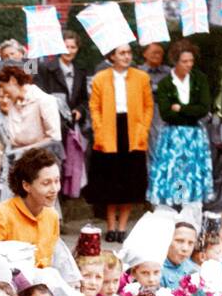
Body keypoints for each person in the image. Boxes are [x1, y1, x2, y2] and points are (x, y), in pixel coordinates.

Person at [86, 43, 153, 243]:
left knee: (129, 183)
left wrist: (143, 128)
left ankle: (122, 227)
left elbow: (148, 105)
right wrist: (99, 130)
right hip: (109, 132)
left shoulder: (141, 77)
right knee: (110, 183)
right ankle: (111, 226)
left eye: (129, 52)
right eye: (122, 53)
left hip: (133, 132)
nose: (126, 56)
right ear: (112, 56)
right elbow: (94, 107)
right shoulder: (101, 78)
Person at [148, 40, 212, 220]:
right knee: (175, 175)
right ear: (176, 61)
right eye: (185, 61)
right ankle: (174, 216)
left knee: (192, 174)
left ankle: (191, 216)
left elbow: (203, 108)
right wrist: (190, 110)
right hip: (173, 136)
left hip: (194, 136)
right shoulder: (165, 83)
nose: (189, 65)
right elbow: (166, 113)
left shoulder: (200, 79)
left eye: (191, 61)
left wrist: (181, 109)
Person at [0, 147, 64, 269]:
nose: (54, 189)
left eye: (57, 181)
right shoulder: (1, 216)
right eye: (46, 183)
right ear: (26, 185)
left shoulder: (52, 216)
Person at [38, 31, 88, 129]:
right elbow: (29, 76)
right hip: (51, 124)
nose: (69, 51)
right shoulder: (45, 68)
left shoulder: (80, 72)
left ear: (77, 49)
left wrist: (79, 110)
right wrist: (30, 59)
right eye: (66, 47)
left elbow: (84, 100)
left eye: (73, 47)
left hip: (72, 126)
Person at [140, 42, 172, 160]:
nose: (157, 55)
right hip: (141, 112)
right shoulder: (138, 72)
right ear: (145, 54)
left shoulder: (168, 72)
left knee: (159, 143)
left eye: (160, 53)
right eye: (154, 53)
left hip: (160, 112)